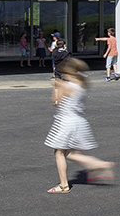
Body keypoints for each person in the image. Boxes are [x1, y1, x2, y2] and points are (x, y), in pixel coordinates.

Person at [45, 56, 115, 192]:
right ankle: (98, 164)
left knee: (59, 153)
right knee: (71, 153)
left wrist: (56, 87)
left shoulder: (66, 86)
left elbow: (56, 102)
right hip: (77, 121)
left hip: (66, 121)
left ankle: (64, 185)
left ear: (69, 73)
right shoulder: (81, 86)